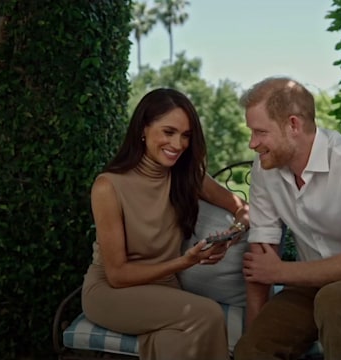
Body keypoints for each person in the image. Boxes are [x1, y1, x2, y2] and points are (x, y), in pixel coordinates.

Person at [234, 77, 341, 360]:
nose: (252, 143)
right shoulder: (264, 169)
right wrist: (255, 329)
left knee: (336, 302)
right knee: (253, 348)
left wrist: (279, 273)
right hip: (309, 284)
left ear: (294, 125)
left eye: (260, 132)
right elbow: (261, 260)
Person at [81, 88, 249, 360]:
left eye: (185, 136)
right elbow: (117, 275)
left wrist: (234, 234)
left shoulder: (187, 176)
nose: (179, 144)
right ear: (143, 129)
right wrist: (186, 261)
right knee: (207, 313)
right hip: (111, 292)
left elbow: (243, 209)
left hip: (163, 290)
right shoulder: (108, 186)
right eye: (169, 132)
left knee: (175, 340)